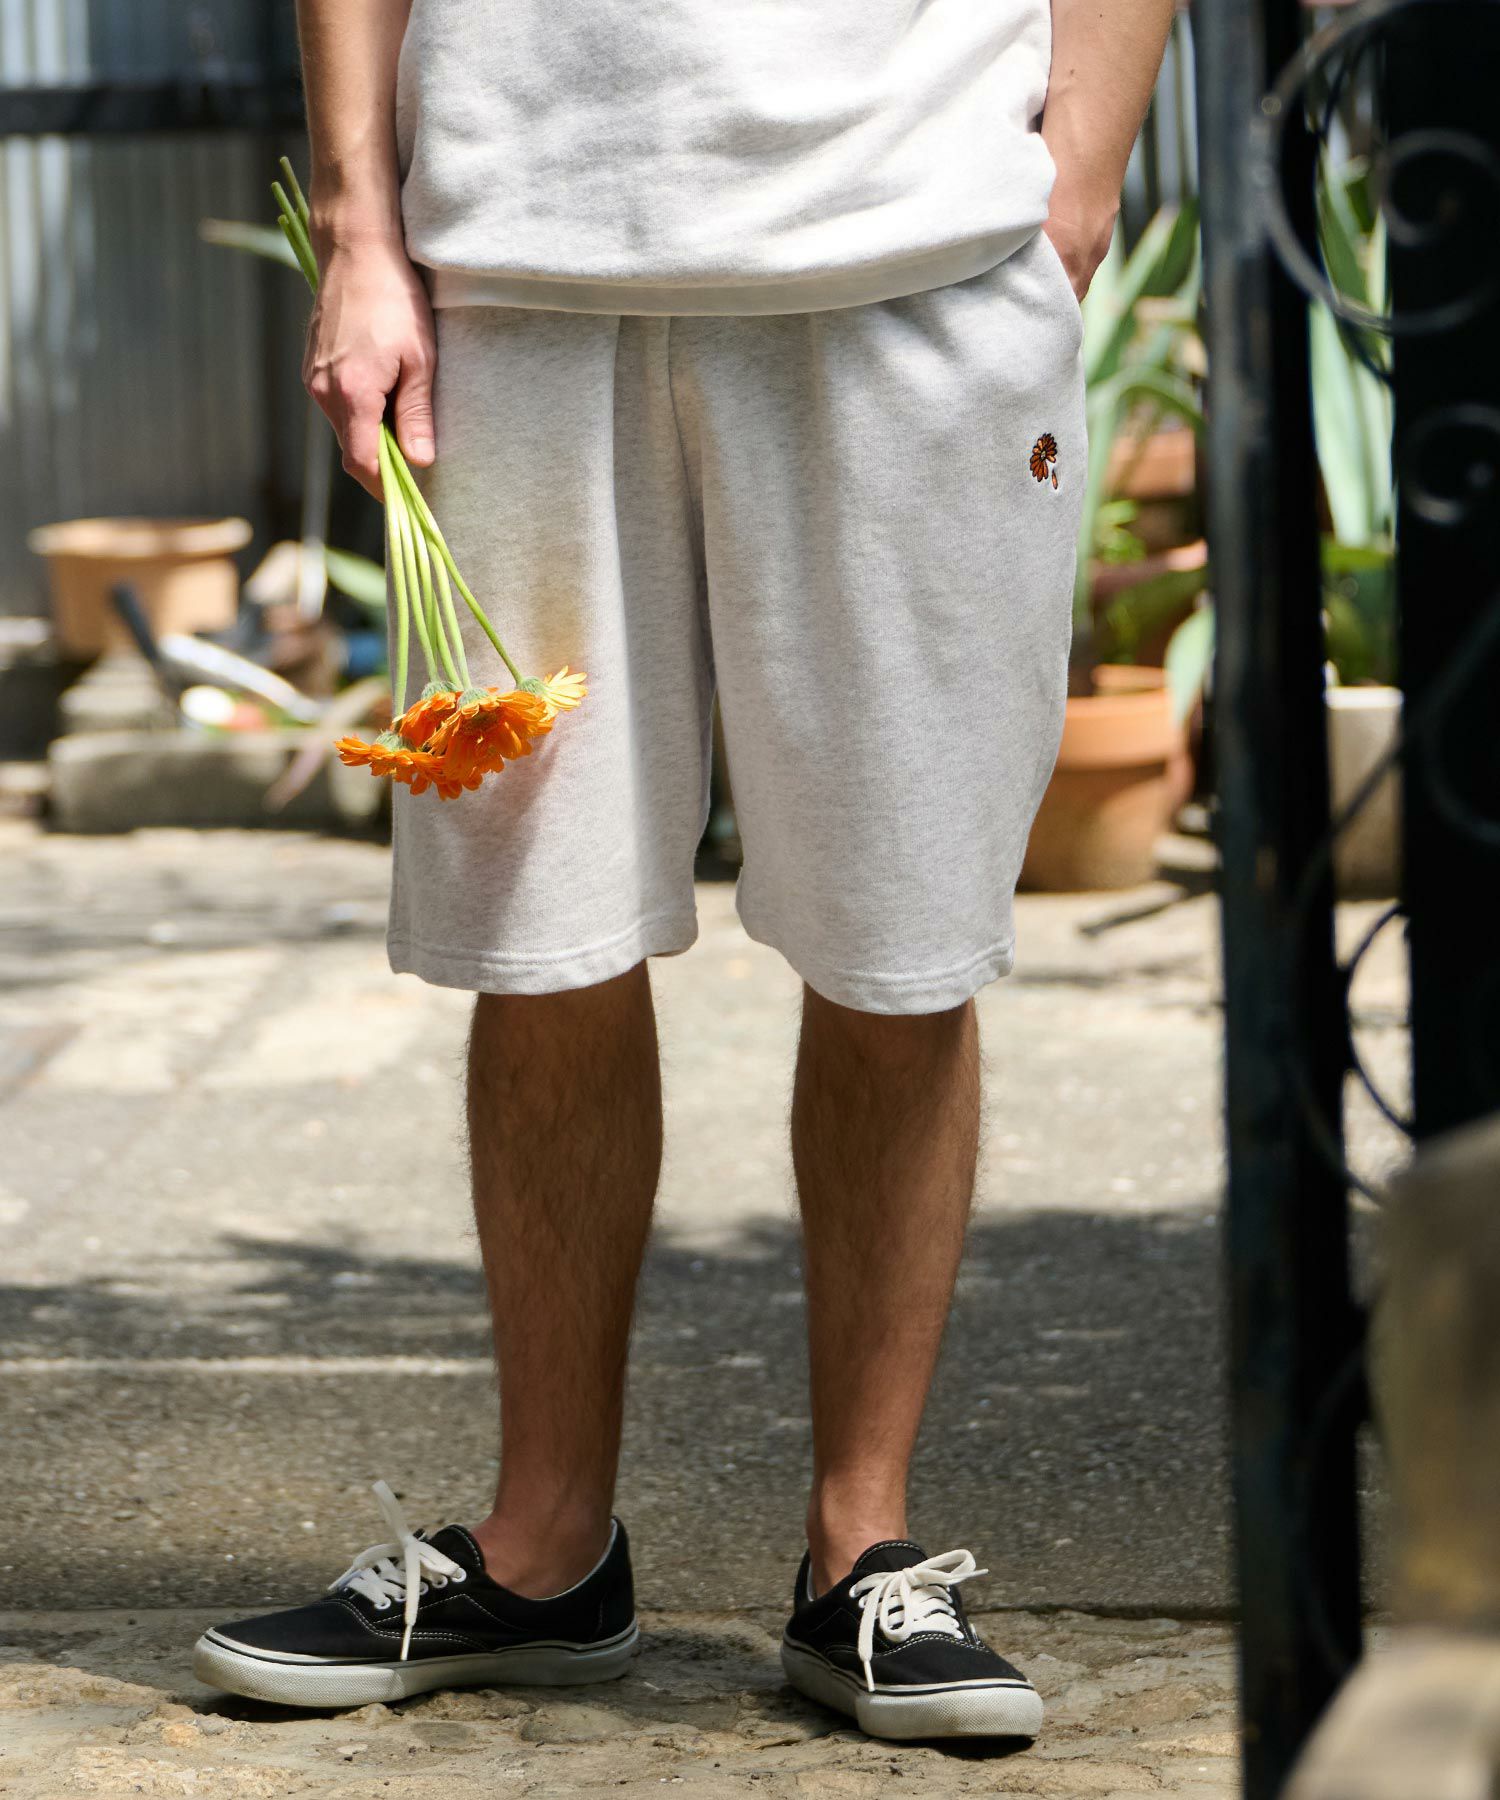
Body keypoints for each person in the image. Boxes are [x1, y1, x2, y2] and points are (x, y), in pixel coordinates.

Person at [193, 0, 1174, 1741]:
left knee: (898, 936)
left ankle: (863, 1553)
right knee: (540, 930)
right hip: (517, 263)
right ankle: (543, 1554)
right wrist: (360, 223)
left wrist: (1075, 174)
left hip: (909, 248)